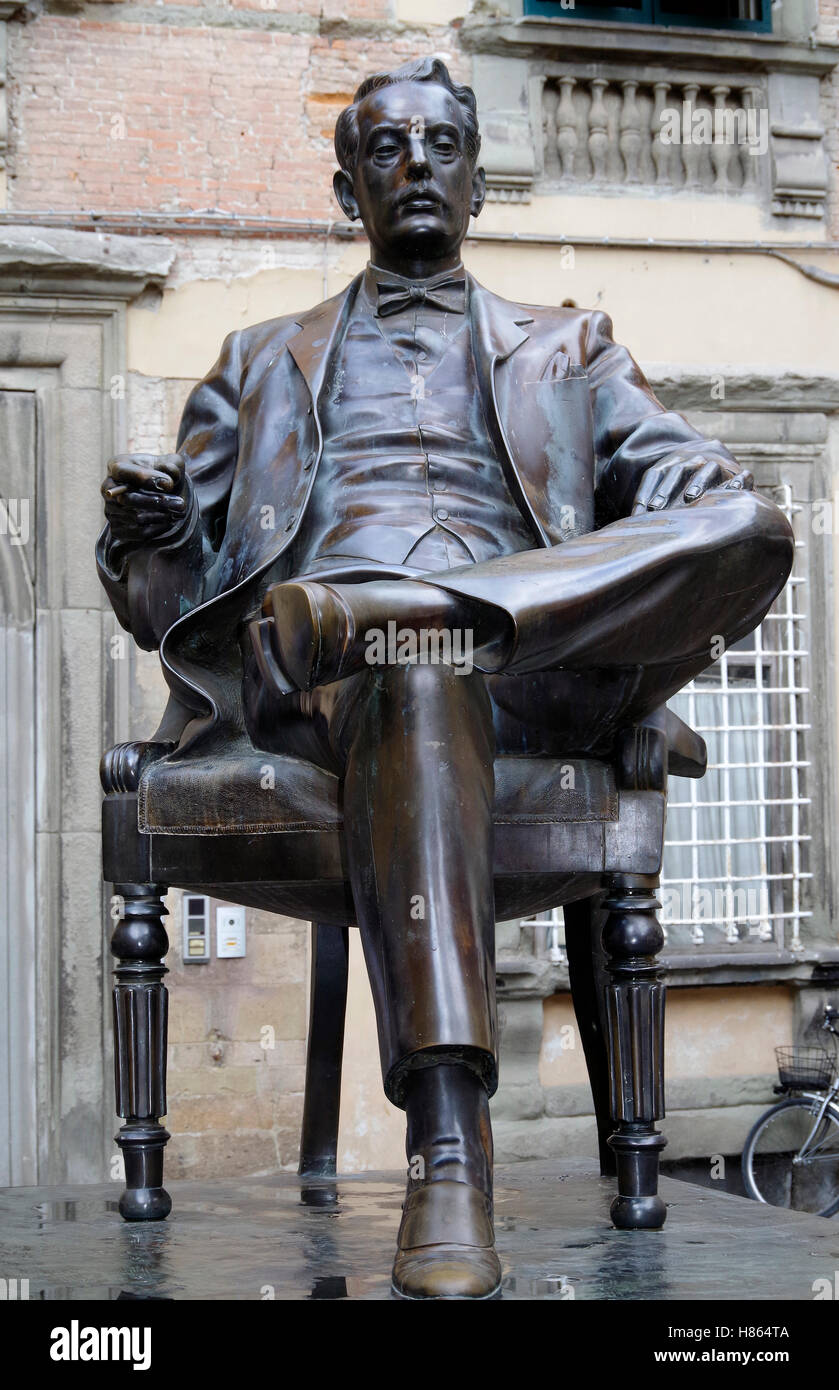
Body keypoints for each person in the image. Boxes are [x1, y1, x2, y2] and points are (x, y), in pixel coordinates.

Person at [98, 57, 794, 1299]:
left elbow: (713, 509)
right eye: (384, 148)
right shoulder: (255, 360)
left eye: (440, 146)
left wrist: (680, 516)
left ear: (476, 182)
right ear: (344, 184)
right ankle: (449, 1150)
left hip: (532, 669)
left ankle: (421, 610)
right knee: (412, 673)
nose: (415, 165)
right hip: (316, 687)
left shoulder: (570, 351)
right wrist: (141, 541)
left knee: (752, 521)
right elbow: (169, 610)